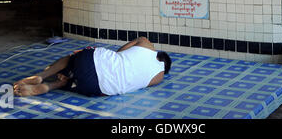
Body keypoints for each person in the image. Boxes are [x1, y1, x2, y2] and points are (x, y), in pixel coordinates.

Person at [13, 37, 172, 97]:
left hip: (92, 60)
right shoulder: (158, 77)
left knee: (71, 59)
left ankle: (42, 75)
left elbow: (120, 52)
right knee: (90, 85)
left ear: (158, 52)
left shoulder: (146, 43)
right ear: (163, 67)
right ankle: (54, 85)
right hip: (97, 88)